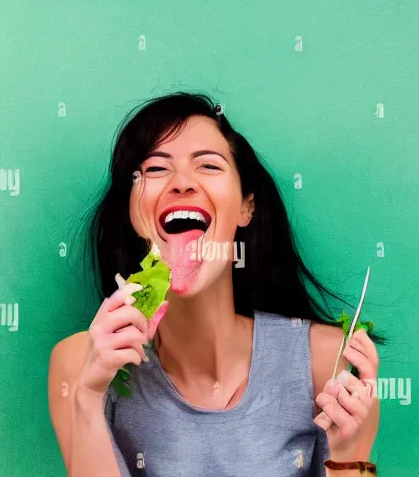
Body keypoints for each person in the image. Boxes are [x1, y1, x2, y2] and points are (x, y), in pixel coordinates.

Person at [48, 92, 385, 477]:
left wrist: (350, 453)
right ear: (133, 213)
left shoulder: (325, 362)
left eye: (208, 165)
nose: (182, 182)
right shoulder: (80, 364)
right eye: (156, 169)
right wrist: (88, 400)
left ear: (246, 207)